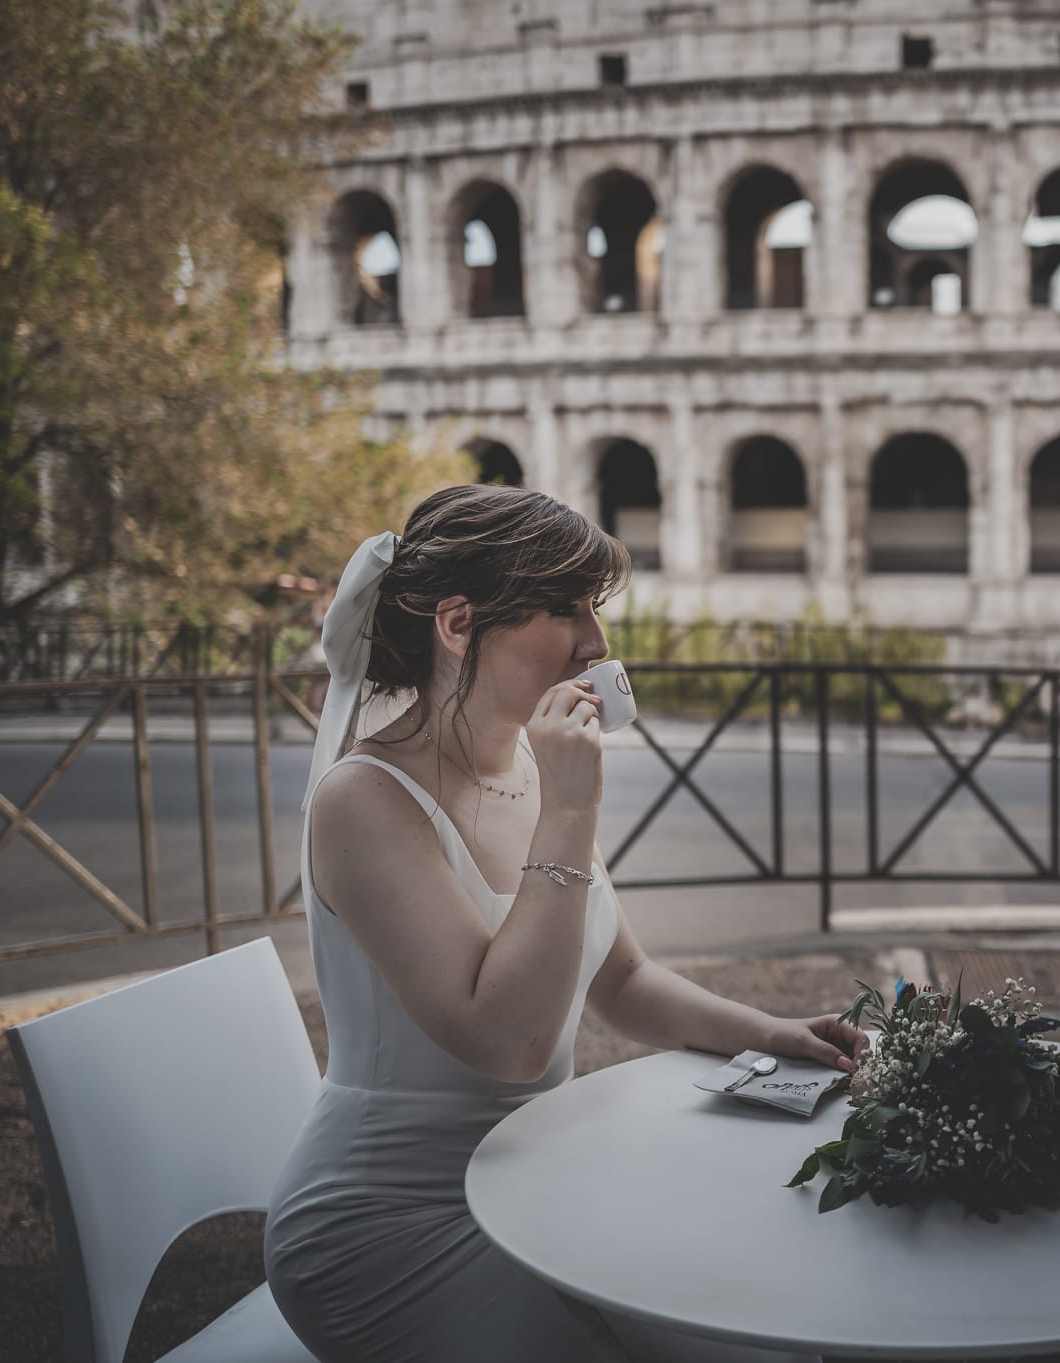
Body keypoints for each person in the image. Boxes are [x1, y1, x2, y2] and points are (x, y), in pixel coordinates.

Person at [264, 485, 866, 1362]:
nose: (598, 644)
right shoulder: (364, 800)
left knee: (757, 1296)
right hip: (389, 1221)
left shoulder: (530, 768)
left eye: (596, 607)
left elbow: (622, 980)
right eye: (564, 608)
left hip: (530, 1175)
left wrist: (775, 1034)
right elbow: (507, 1042)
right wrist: (573, 805)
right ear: (459, 623)